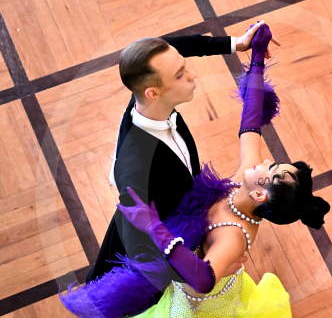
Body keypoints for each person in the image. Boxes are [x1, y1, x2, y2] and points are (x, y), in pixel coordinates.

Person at [108, 24, 331, 318]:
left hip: (202, 303)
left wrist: (154, 226)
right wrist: (255, 56)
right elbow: (251, 119)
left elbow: (203, 281)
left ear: (260, 194)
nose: (265, 160)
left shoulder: (232, 237)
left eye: (271, 169)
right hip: (200, 262)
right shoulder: (247, 179)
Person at [85, 23, 280, 299]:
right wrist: (197, 271)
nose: (192, 74)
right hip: (164, 234)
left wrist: (238, 43)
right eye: (180, 75)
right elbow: (140, 240)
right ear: (153, 92)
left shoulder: (148, 93)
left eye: (184, 66)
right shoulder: (135, 174)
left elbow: (173, 47)